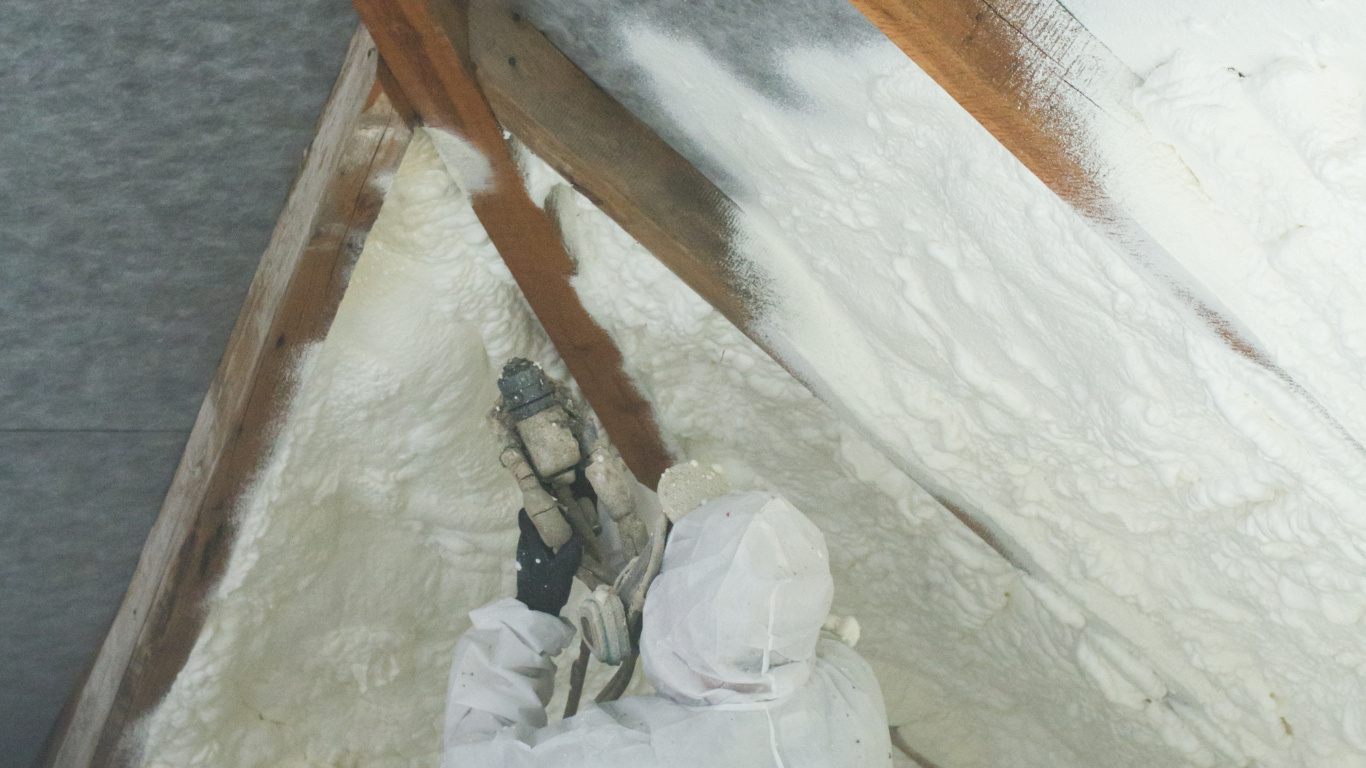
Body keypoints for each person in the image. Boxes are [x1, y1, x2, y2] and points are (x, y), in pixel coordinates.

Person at [441, 490, 892, 767]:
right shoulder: (848, 682)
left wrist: (528, 614)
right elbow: (760, 605)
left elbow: (472, 758)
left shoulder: (643, 755)